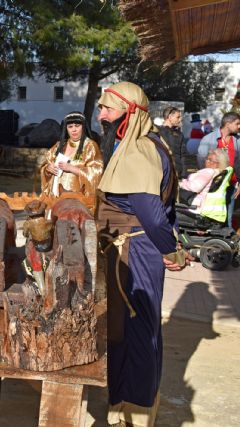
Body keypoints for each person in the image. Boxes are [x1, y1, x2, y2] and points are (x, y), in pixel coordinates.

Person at [95, 82, 190, 427]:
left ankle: (134, 408)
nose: (101, 114)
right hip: (129, 246)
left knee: (136, 326)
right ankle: (122, 402)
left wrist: (172, 249)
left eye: (107, 108)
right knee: (124, 325)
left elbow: (151, 212)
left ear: (129, 111)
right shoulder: (145, 143)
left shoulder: (138, 151)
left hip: (135, 248)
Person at [40, 111, 103, 199]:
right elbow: (45, 165)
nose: (74, 130)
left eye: (77, 126)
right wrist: (48, 169)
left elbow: (97, 172)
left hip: (76, 198)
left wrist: (72, 169)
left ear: (83, 127)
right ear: (66, 129)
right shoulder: (59, 145)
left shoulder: (90, 146)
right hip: (54, 196)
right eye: (70, 127)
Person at [197, 112, 240, 227]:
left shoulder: (238, 141)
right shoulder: (209, 139)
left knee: (228, 215)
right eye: (237, 124)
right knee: (209, 214)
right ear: (227, 124)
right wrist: (206, 178)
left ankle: (227, 239)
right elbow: (201, 160)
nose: (239, 126)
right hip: (213, 185)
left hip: (231, 184)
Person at [178, 149, 229, 213]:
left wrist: (179, 183)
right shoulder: (219, 173)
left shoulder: (209, 171)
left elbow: (195, 187)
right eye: (207, 159)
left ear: (218, 163)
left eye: (210, 160)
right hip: (202, 205)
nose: (206, 161)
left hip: (194, 206)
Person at [158, 106, 187, 178]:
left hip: (176, 172)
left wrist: (183, 173)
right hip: (161, 171)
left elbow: (182, 154)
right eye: (178, 117)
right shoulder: (157, 133)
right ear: (170, 117)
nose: (180, 119)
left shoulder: (179, 134)